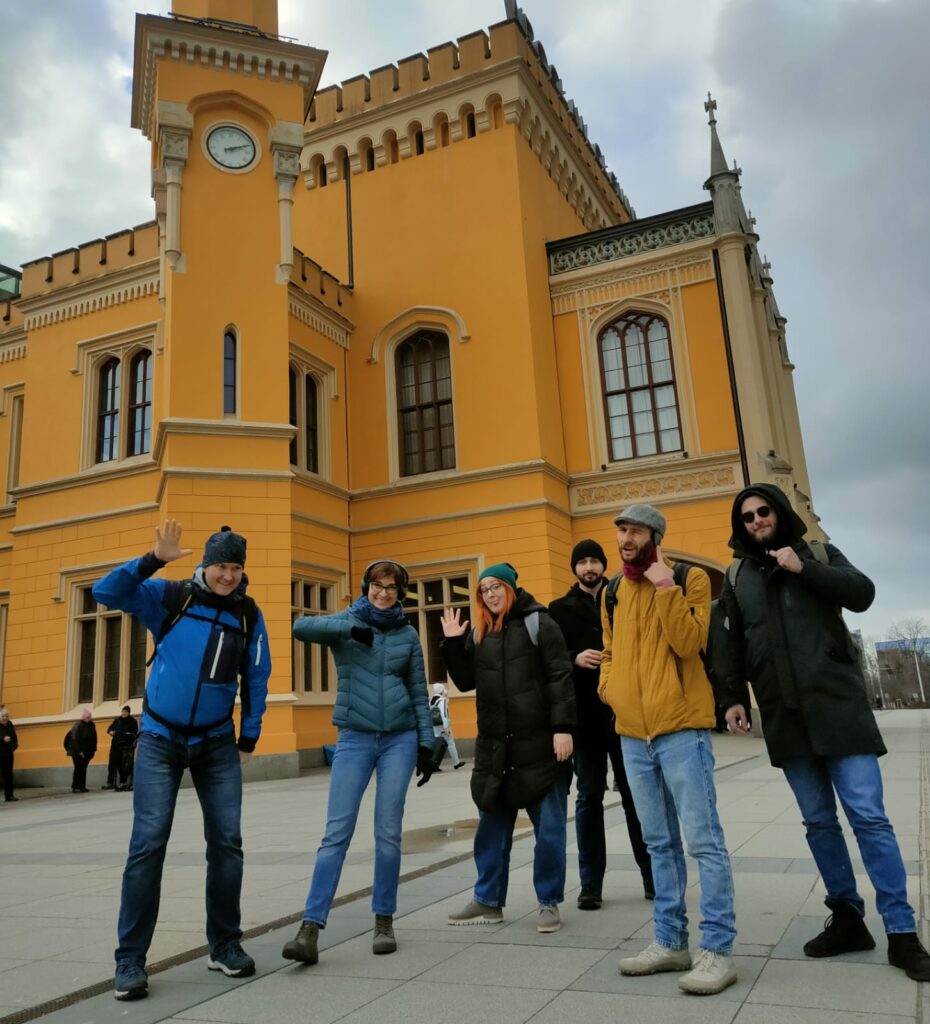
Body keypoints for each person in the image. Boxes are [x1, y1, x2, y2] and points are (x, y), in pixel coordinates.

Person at [714, 483, 930, 982]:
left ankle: (901, 931)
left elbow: (863, 594)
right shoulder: (737, 574)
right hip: (786, 716)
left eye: (763, 511)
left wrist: (803, 569)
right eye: (746, 516)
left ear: (779, 512)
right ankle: (849, 920)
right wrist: (730, 699)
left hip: (838, 709)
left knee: (869, 818)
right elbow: (726, 644)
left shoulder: (818, 553)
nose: (755, 521)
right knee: (818, 822)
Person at [93, 520, 271, 1001]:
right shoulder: (171, 597)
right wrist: (153, 558)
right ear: (205, 565)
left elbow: (257, 678)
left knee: (228, 844)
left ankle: (225, 945)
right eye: (220, 565)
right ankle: (130, 959)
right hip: (158, 738)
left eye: (235, 567)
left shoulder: (249, 615)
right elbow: (105, 591)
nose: (228, 575)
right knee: (148, 844)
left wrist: (248, 739)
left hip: (216, 743)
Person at [599, 504, 738, 995]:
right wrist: (609, 689)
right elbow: (610, 651)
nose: (624, 539)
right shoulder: (613, 590)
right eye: (620, 531)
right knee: (658, 843)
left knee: (704, 842)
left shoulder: (689, 578)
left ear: (653, 535)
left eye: (633, 531)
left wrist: (664, 588)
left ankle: (717, 949)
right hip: (633, 735)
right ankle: (670, 941)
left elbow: (689, 642)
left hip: (682, 729)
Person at [282, 559, 436, 966]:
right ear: (365, 586)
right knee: (336, 833)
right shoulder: (345, 622)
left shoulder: (407, 634)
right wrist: (349, 628)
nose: (384, 593)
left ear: (400, 593)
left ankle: (383, 919)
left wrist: (427, 741)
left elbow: (418, 691)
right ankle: (310, 928)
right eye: (377, 585)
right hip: (354, 737)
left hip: (399, 740)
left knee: (388, 831)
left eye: (391, 588)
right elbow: (300, 628)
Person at [441, 563, 575, 934]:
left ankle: (549, 902)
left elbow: (560, 676)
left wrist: (563, 729)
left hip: (540, 746)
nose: (490, 595)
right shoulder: (481, 631)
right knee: (491, 828)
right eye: (484, 590)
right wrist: (453, 642)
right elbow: (466, 681)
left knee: (548, 830)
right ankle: (487, 900)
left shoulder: (540, 624)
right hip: (497, 749)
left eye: (496, 587)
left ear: (512, 588)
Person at [548, 540, 653, 909]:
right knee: (589, 797)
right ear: (574, 568)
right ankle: (591, 882)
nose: (589, 567)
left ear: (603, 565)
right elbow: (549, 659)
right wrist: (573, 658)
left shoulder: (620, 597)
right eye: (583, 562)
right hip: (585, 719)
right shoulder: (558, 610)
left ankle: (651, 875)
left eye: (595, 561)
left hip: (625, 715)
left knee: (636, 797)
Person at [429, 683, 465, 769]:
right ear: (442, 690)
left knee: (436, 745)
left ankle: (433, 765)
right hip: (442, 725)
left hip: (434, 725)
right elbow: (444, 713)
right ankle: (456, 763)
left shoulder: (431, 700)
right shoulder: (442, 700)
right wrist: (446, 727)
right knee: (450, 743)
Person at [104, 706, 139, 791]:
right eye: (123, 711)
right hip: (116, 745)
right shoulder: (117, 720)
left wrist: (132, 739)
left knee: (126, 765)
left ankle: (125, 782)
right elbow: (109, 728)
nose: (124, 713)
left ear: (129, 713)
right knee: (114, 763)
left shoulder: (132, 721)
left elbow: (135, 732)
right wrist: (111, 731)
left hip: (127, 746)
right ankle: (111, 782)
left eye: (126, 711)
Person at [64, 709, 97, 793]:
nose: (88, 719)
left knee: (83, 769)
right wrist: (79, 751)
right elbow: (75, 740)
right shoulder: (78, 725)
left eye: (89, 717)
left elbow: (94, 737)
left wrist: (94, 749)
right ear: (83, 718)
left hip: (87, 751)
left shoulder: (91, 725)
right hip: (76, 751)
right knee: (78, 768)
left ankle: (82, 786)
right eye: (87, 717)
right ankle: (75, 786)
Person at [0, 708, 18, 802]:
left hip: (8, 754)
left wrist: (13, 747)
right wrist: (2, 738)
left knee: (9, 775)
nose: (5, 718)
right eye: (3, 716)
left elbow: (14, 738)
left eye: (6, 716)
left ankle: (9, 795)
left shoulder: (10, 725)